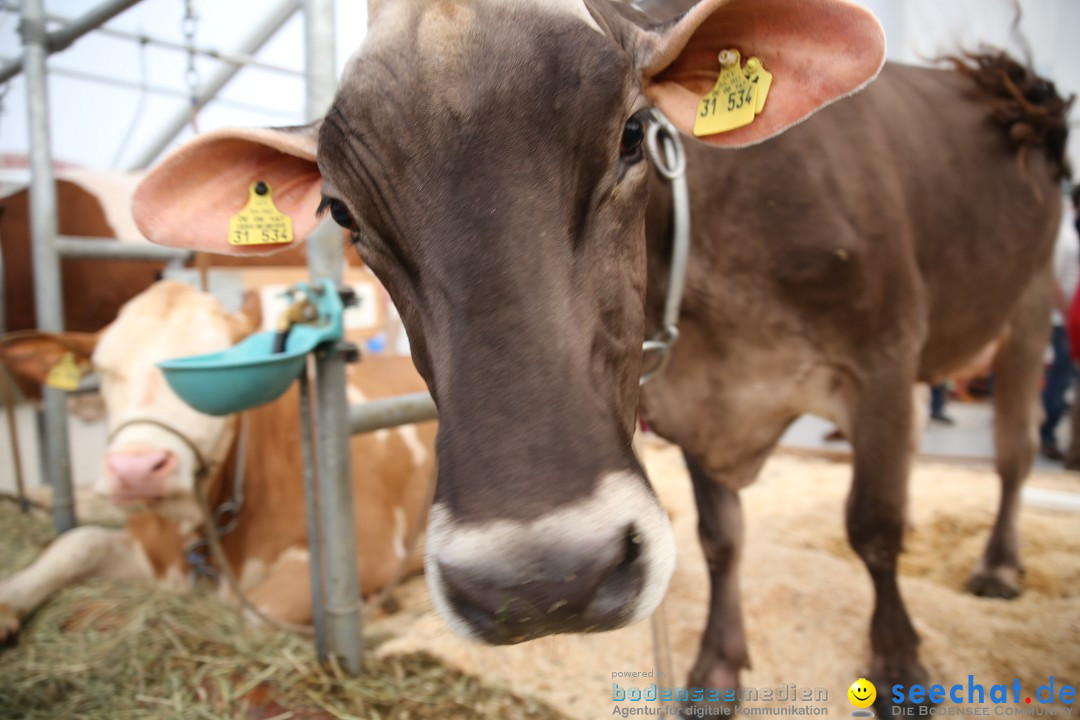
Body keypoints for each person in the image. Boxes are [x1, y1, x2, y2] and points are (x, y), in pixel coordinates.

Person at [1039, 188, 1080, 461]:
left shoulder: (1068, 234)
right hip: (1060, 318)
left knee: (1063, 378)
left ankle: (1046, 432)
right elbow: (1052, 279)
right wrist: (1068, 314)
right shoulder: (1064, 237)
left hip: (1064, 316)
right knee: (1061, 379)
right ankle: (1046, 434)